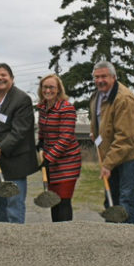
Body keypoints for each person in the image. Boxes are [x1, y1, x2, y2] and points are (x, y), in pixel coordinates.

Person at [89, 61, 134, 224]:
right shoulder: (96, 96)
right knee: (110, 197)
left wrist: (108, 165)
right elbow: (100, 121)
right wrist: (95, 133)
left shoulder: (124, 99)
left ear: (113, 77)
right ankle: (111, 235)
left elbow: (125, 138)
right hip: (111, 155)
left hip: (129, 157)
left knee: (125, 200)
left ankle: (125, 239)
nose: (100, 80)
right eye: (97, 77)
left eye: (104, 76)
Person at [0, 63, 37, 224]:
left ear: (12, 78)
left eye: (3, 75)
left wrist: (0, 148)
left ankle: (16, 237)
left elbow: (19, 131)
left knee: (14, 201)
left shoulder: (22, 99)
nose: (0, 78)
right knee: (1, 201)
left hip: (15, 160)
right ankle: (3, 235)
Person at [36, 74, 81, 222]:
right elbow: (42, 129)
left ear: (58, 89)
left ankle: (65, 234)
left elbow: (66, 137)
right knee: (53, 200)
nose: (48, 90)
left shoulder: (66, 108)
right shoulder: (42, 107)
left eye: (51, 87)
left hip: (67, 162)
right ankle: (55, 233)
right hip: (51, 161)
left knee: (63, 200)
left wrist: (48, 158)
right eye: (45, 87)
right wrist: (40, 143)